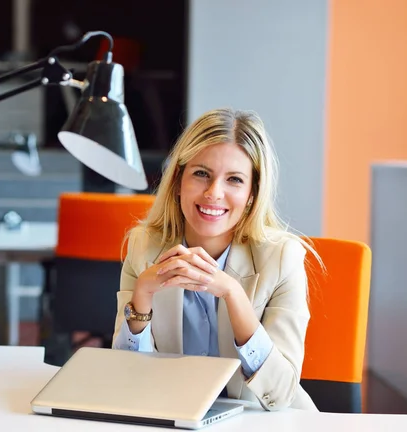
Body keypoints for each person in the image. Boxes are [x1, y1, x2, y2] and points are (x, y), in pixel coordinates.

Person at [111, 107, 322, 411]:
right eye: (201, 174)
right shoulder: (144, 248)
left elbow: (280, 393)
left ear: (252, 193)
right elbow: (126, 378)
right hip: (175, 418)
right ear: (177, 182)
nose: (214, 193)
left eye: (234, 180)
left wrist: (233, 294)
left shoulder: (282, 258)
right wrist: (142, 296)